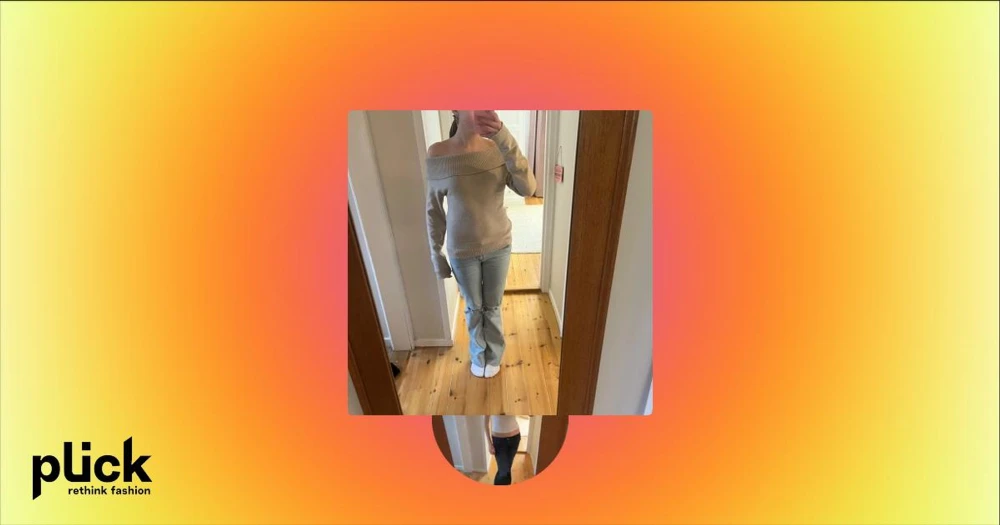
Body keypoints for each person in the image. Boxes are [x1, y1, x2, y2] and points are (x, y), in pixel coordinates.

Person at [425, 111, 536, 378]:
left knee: (492, 305)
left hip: (499, 244)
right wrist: (436, 253)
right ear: (456, 108)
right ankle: (479, 354)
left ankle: (493, 355)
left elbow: (528, 188)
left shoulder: (499, 148)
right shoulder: (438, 153)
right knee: (474, 307)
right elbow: (434, 210)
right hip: (462, 250)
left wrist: (504, 137)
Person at [485, 415, 521, 485]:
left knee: (507, 469)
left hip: (515, 438)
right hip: (499, 441)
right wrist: (489, 443)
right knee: (503, 472)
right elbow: (486, 423)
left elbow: (530, 414)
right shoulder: (489, 406)